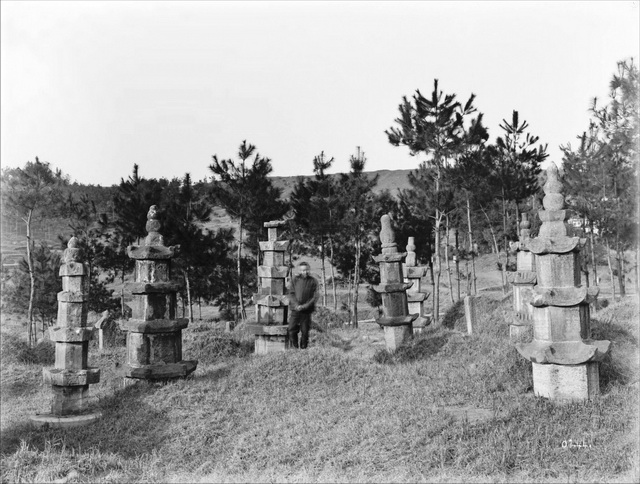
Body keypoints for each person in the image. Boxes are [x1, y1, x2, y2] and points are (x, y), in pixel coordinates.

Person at [287, 261, 318, 349]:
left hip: (306, 311)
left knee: (305, 331)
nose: (305, 272)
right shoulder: (295, 280)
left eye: (307, 270)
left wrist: (304, 306)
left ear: (309, 270)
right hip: (295, 310)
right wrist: (296, 305)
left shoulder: (313, 281)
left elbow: (314, 297)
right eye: (303, 270)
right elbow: (291, 293)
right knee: (291, 329)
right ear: (299, 271)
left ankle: (303, 348)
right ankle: (295, 347)